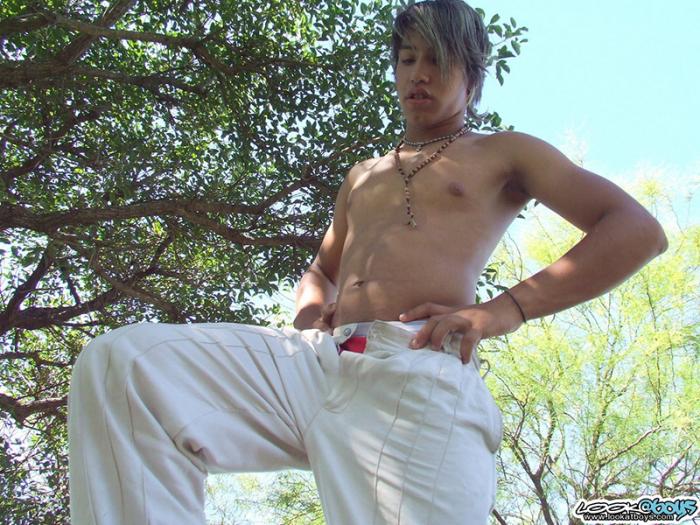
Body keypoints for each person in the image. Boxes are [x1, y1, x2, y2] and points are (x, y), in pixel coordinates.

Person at [68, 1, 668, 524]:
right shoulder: (363, 174)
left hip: (413, 367)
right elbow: (321, 271)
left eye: (437, 60)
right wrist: (310, 314)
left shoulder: (504, 152)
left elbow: (635, 229)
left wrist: (504, 309)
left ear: (472, 75)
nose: (419, 74)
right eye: (407, 59)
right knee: (127, 367)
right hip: (314, 363)